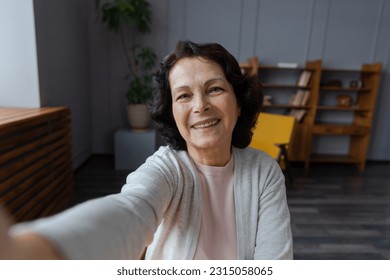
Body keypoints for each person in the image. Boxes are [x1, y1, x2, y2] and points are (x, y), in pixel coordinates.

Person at [0, 40, 293, 260]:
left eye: (214, 89)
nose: (200, 105)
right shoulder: (165, 169)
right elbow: (129, 211)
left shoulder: (264, 171)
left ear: (239, 102)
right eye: (184, 95)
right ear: (172, 113)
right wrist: (39, 251)